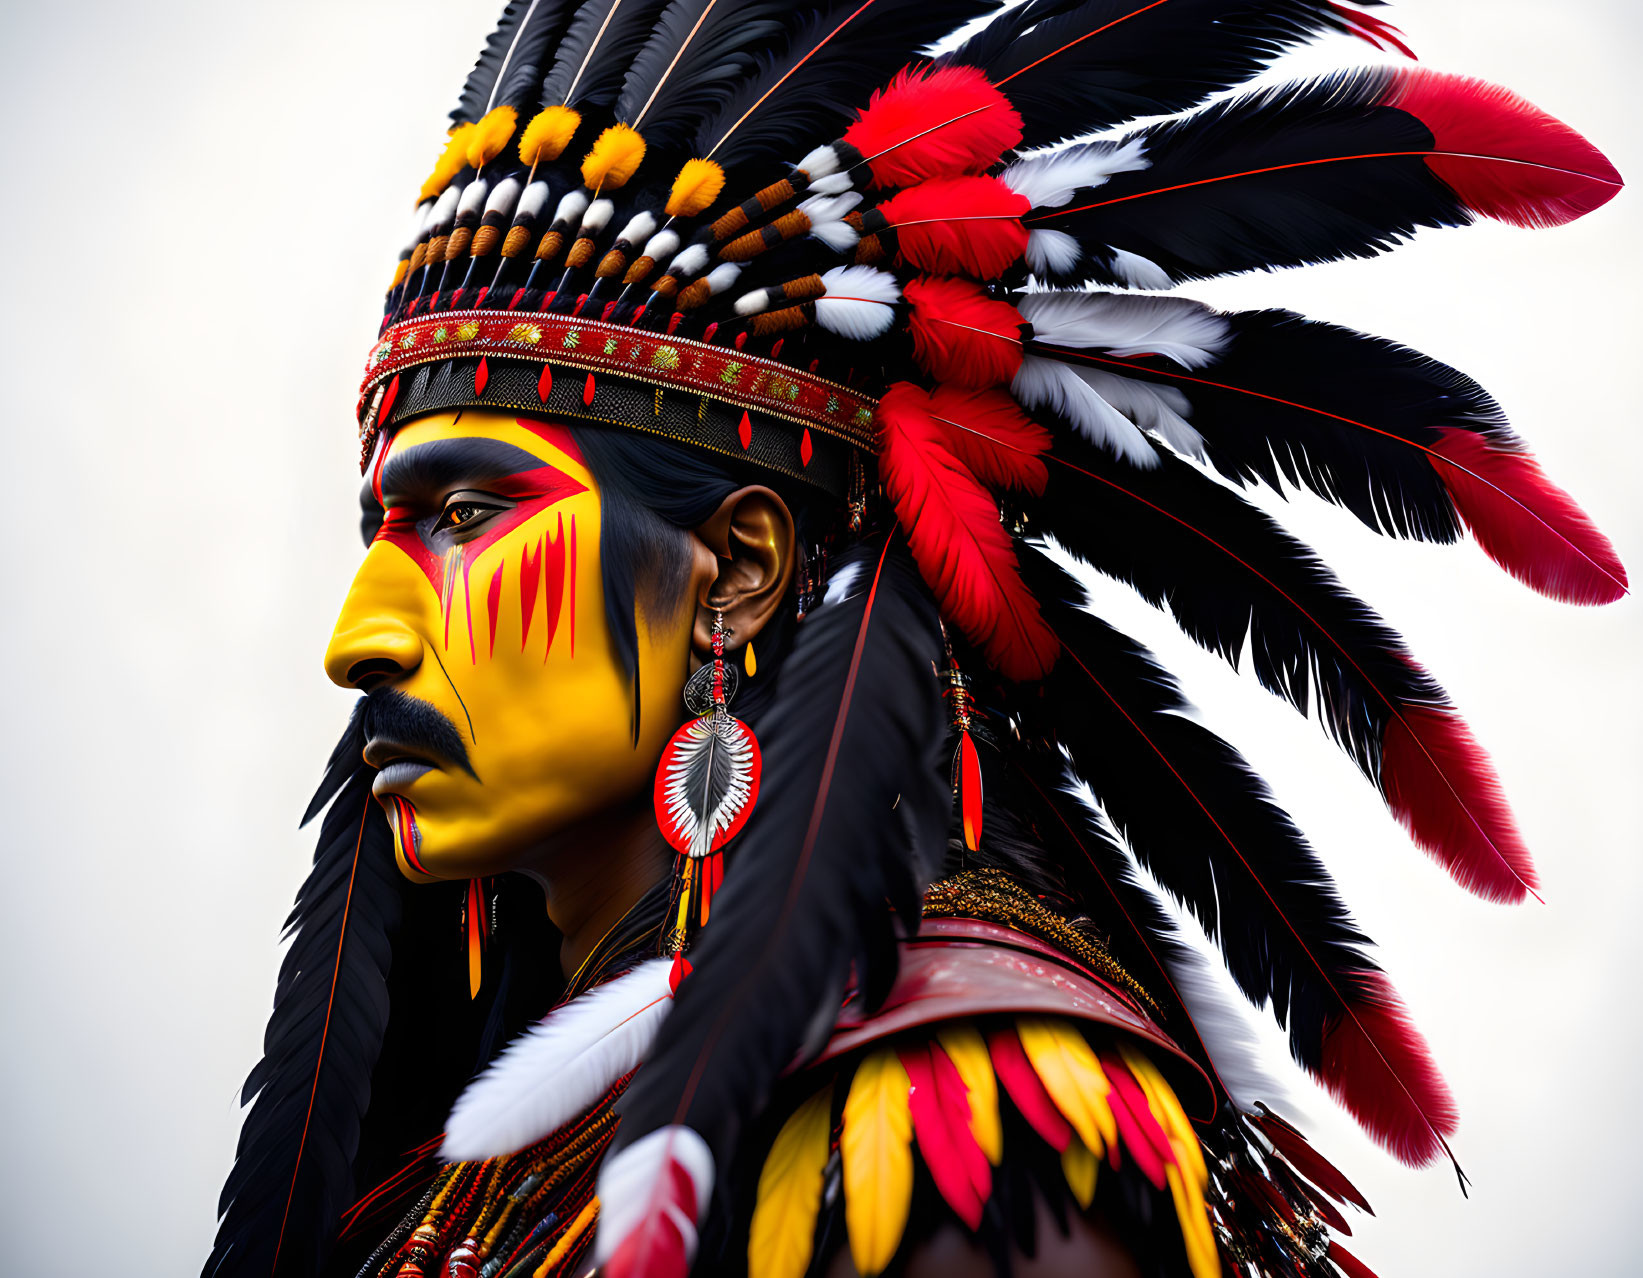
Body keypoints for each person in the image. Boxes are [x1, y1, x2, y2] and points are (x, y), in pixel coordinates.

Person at [205, 3, 1626, 1277]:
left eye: (465, 514)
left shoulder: (964, 1131)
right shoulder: (482, 1169)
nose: (360, 637)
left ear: (737, 573)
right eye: (378, 537)